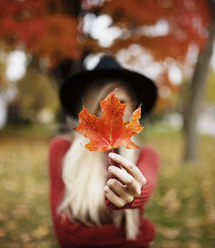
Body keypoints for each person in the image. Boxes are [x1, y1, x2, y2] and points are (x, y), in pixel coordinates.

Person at [49, 55, 160, 248]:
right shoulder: (62, 150)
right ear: (92, 107)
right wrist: (143, 232)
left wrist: (134, 194)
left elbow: (145, 183)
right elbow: (67, 236)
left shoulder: (145, 155)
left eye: (121, 101)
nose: (112, 112)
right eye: (103, 102)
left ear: (133, 106)